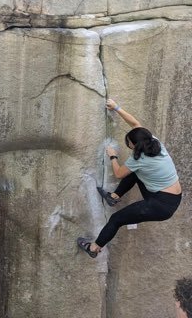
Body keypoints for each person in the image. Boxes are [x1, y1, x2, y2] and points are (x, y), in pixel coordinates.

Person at [78, 99, 182, 257]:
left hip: (160, 206)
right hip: (170, 195)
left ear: (136, 145)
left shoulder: (139, 159)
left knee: (116, 219)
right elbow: (135, 124)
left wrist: (113, 157)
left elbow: (119, 173)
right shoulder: (153, 142)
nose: (129, 145)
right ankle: (114, 196)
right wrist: (116, 107)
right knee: (135, 172)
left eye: (129, 144)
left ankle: (93, 248)